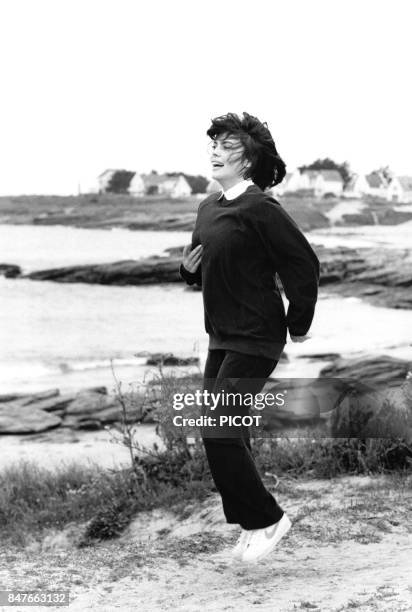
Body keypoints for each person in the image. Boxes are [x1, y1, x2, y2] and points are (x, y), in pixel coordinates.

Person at [180, 112, 320, 563]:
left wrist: (298, 323)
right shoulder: (208, 207)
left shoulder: (262, 208)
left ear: (249, 159)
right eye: (214, 144)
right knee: (219, 433)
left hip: (257, 335)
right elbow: (205, 263)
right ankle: (250, 523)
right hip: (221, 334)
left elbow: (303, 264)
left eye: (226, 146)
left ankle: (269, 519)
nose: (215, 152)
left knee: (219, 431)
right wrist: (187, 271)